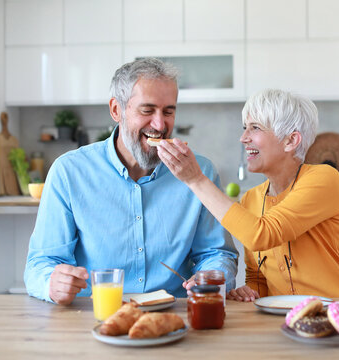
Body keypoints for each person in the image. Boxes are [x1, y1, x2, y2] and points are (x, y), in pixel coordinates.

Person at [24, 58, 238, 305]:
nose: (159, 124)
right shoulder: (69, 172)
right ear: (116, 110)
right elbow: (40, 264)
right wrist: (51, 282)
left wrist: (212, 276)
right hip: (95, 316)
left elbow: (216, 252)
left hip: (175, 315)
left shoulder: (200, 173)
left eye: (168, 111)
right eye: (147, 110)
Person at [156, 89, 339, 302]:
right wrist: (250, 290)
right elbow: (258, 277)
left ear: (291, 141)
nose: (243, 138)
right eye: (245, 128)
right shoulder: (251, 199)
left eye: (255, 128)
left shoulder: (324, 178)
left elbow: (261, 235)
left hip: (338, 312)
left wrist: (195, 180)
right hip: (284, 319)